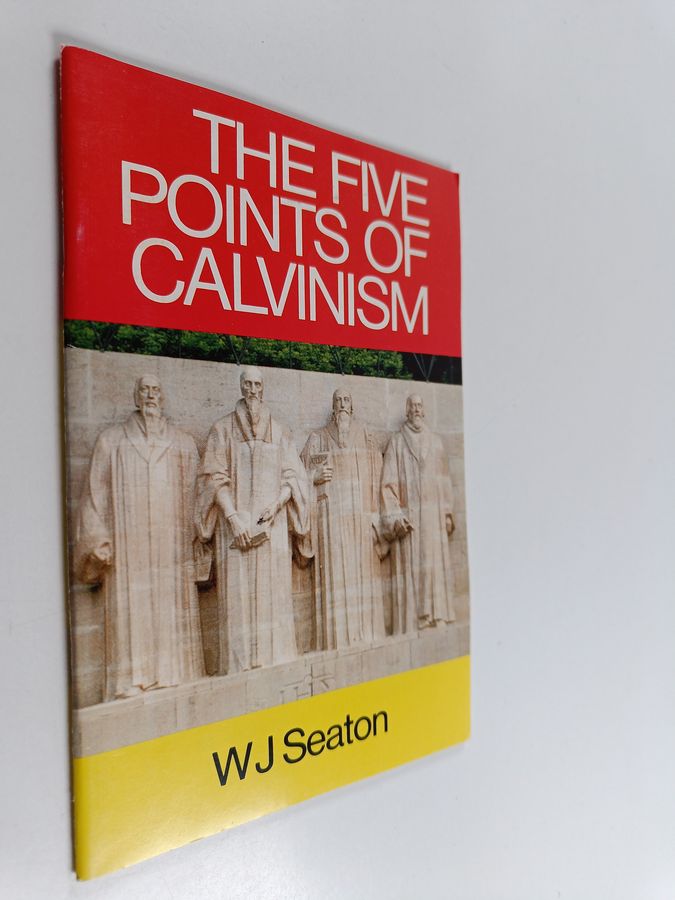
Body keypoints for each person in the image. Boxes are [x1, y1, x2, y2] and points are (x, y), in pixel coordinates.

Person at [75, 374, 205, 701]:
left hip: (171, 546)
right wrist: (98, 539)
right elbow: (94, 496)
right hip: (128, 545)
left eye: (155, 390)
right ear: (136, 397)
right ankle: (131, 680)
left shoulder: (182, 444)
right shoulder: (111, 441)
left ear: (163, 397)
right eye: (144, 390)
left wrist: (200, 542)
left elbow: (199, 497)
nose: (150, 396)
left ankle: (173, 672)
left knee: (170, 606)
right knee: (132, 609)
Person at [196, 366, 310, 673]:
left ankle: (278, 662)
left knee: (274, 597)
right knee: (238, 601)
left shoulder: (280, 430)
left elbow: (294, 476)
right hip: (235, 529)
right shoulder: (222, 429)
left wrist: (277, 504)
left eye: (257, 384)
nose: (253, 390)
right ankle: (239, 666)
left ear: (264, 388)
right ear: (241, 387)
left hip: (272, 527)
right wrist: (232, 517)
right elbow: (213, 477)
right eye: (247, 384)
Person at [301, 387, 386, 649]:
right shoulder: (317, 439)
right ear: (333, 407)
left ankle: (367, 635)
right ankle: (335, 640)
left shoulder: (366, 437)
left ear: (352, 405)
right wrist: (313, 477)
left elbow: (378, 478)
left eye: (346, 400)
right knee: (335, 575)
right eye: (337, 400)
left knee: (363, 574)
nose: (342, 404)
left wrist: (376, 517)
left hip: (361, 520)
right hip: (331, 521)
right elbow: (299, 476)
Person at [380, 394, 456, 633]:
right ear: (407, 411)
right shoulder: (397, 443)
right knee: (413, 565)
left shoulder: (436, 443)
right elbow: (388, 485)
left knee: (434, 564)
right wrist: (395, 517)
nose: (416, 409)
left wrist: (447, 512)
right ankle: (416, 619)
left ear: (424, 410)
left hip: (433, 517)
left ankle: (437, 614)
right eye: (411, 406)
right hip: (410, 518)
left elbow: (443, 479)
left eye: (419, 405)